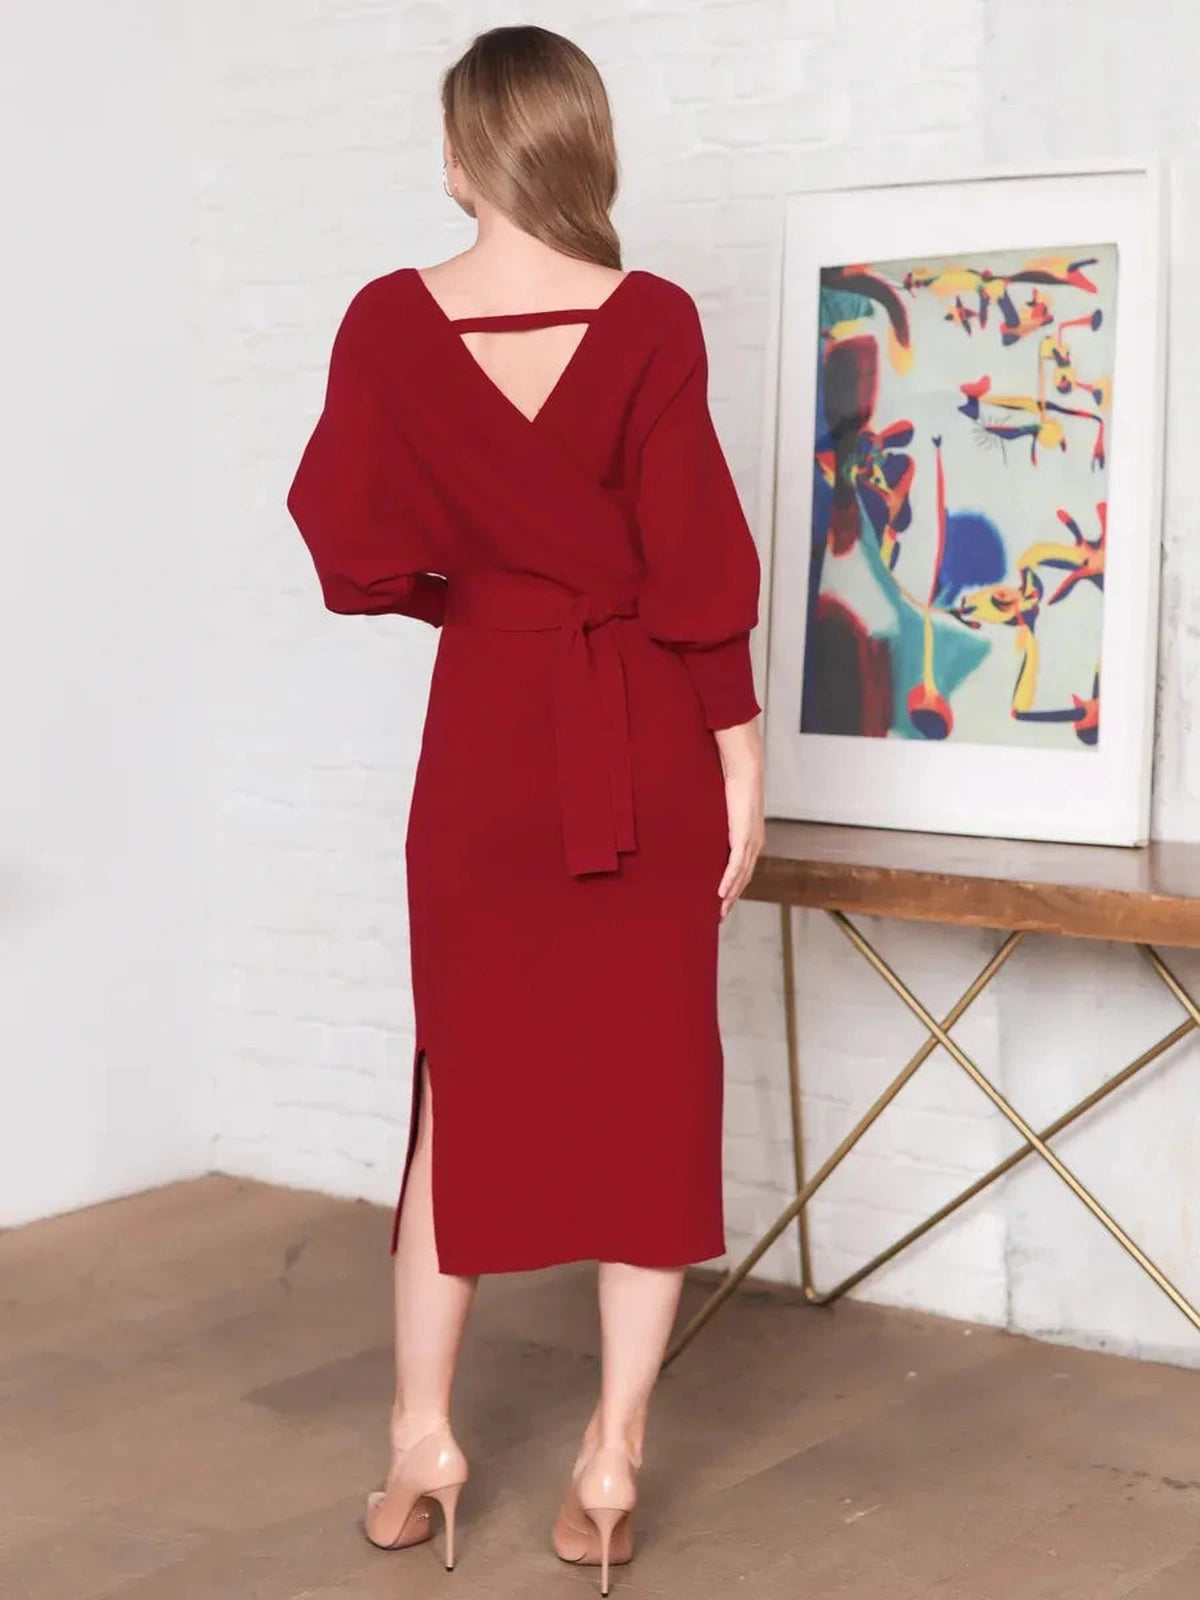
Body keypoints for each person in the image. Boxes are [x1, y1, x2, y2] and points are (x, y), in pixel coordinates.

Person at [285, 23, 764, 1596]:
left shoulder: (387, 321)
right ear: (582, 144)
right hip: (647, 732)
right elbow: (696, 565)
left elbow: (350, 545)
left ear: (459, 156)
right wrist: (740, 757)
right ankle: (612, 1459)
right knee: (654, 1087)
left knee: (462, 1087)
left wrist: (478, 602)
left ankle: (422, 1444)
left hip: (487, 741)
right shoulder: (653, 319)